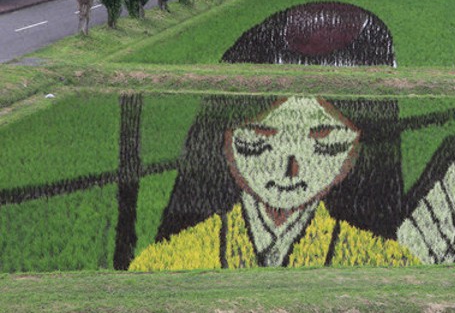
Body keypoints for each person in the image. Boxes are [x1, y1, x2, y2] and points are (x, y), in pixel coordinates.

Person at [130, 97, 415, 270]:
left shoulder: (387, 262)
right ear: (227, 142)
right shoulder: (162, 263)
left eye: (324, 140)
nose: (290, 169)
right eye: (260, 138)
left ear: (354, 151)